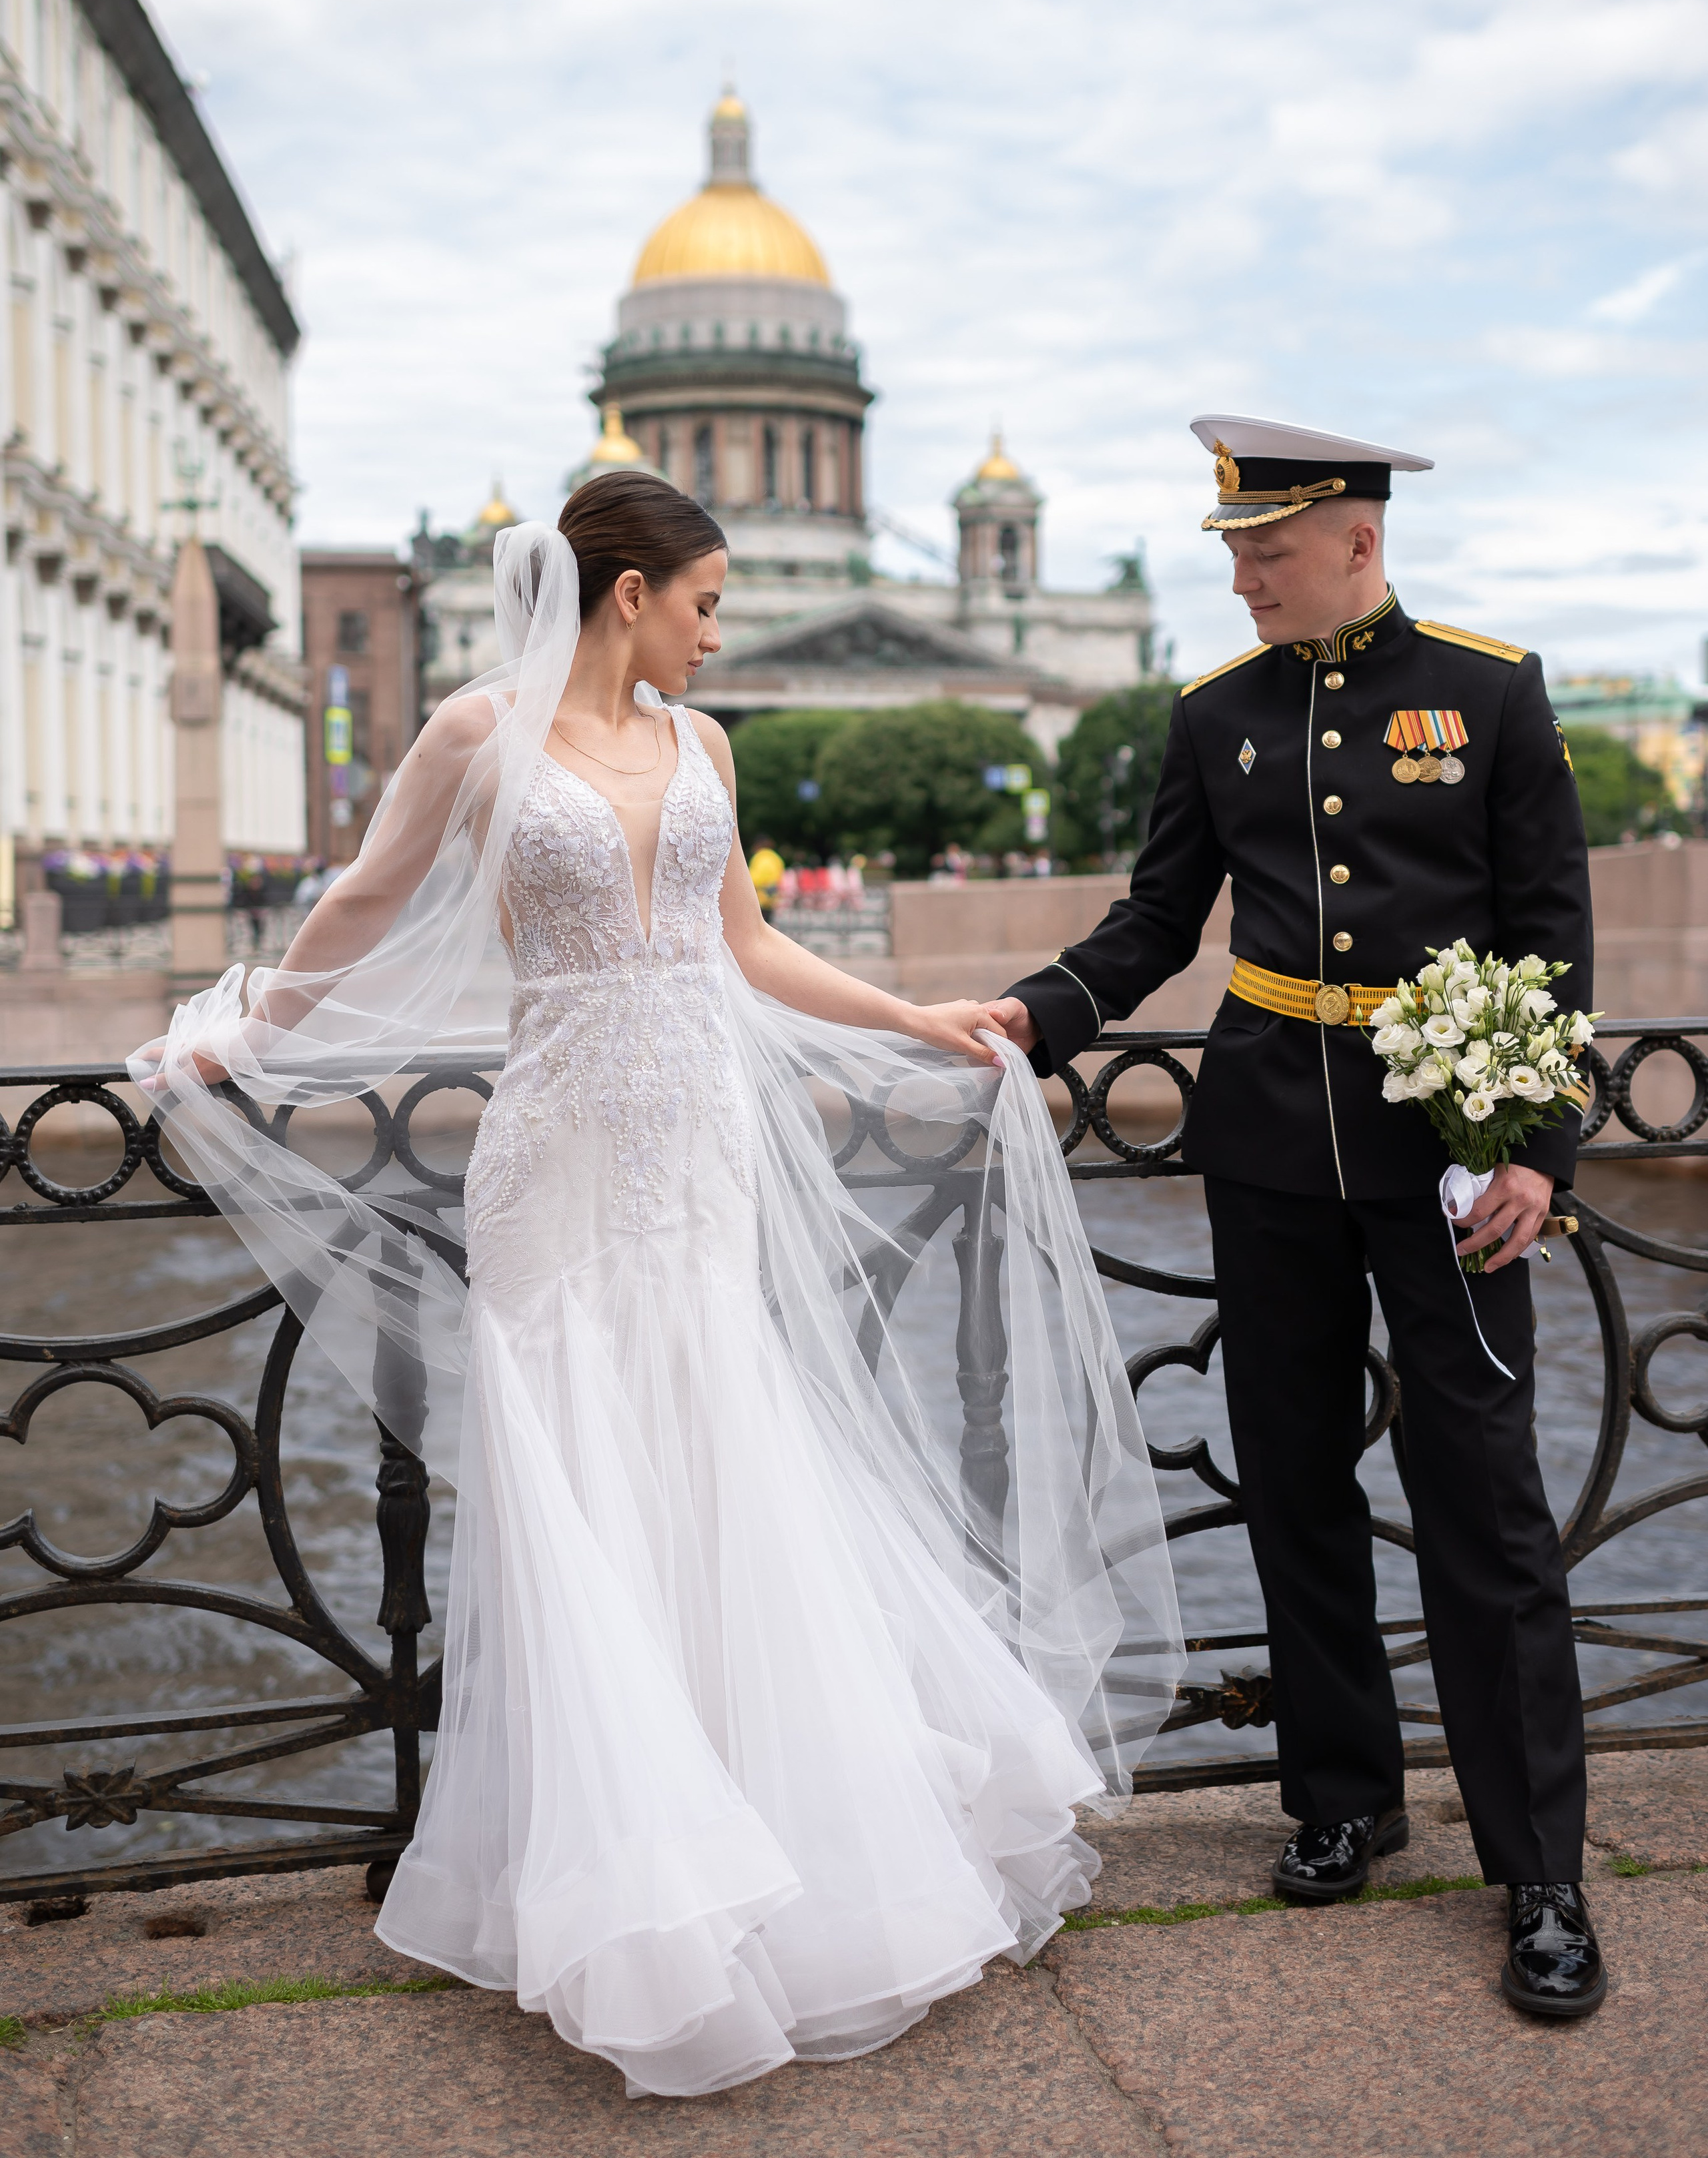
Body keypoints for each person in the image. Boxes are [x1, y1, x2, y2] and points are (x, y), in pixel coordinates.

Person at [133, 471, 1182, 2099]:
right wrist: (245, 1029)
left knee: (718, 1471)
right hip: (554, 1155)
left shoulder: (706, 747)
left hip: (695, 1147)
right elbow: (366, 894)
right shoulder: (480, 732)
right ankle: (630, 1884)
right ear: (624, 594)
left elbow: (746, 948)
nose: (717, 632)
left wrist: (915, 1019)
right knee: (585, 1497)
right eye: (703, 603)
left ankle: (761, 1837)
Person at [989, 414, 1605, 2021]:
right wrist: (1032, 1013)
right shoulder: (1214, 713)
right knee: (1290, 1477)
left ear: (1354, 533)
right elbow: (1152, 920)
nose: (1244, 572)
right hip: (1268, 1136)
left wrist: (1534, 1144)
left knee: (1479, 1496)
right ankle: (1341, 1791)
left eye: (1266, 544)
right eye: (1232, 547)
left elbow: (1546, 930)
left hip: (1447, 1158)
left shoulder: (1486, 689)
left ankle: (1537, 1870)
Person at [746, 836, 785, 922]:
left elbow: (755, 877)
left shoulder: (759, 857)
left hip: (760, 895)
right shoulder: (776, 857)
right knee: (769, 921)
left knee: (758, 922)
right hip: (773, 894)